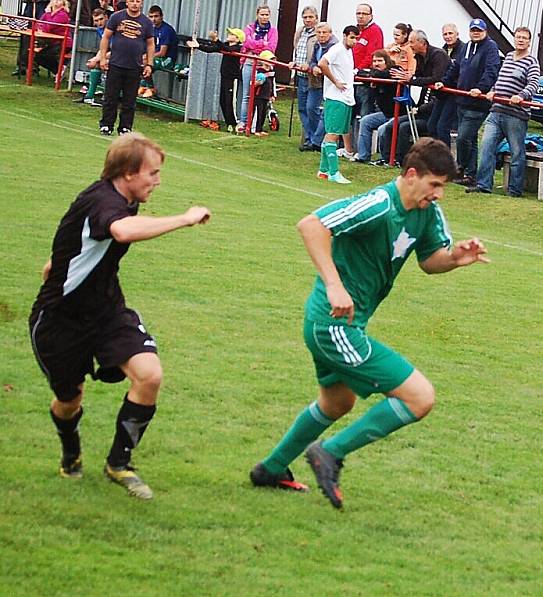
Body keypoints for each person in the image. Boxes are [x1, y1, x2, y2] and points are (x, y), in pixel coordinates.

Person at [248, 137, 489, 509]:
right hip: (332, 326)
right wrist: (334, 285)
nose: (439, 194)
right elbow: (311, 225)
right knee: (419, 397)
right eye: (435, 185)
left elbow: (429, 261)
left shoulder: (427, 213)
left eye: (443, 186)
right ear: (411, 175)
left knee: (336, 404)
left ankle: (271, 468)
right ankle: (330, 452)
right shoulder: (378, 204)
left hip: (344, 326)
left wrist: (456, 258)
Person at [29, 133, 211, 499]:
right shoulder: (103, 202)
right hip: (60, 319)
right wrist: (184, 219)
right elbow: (121, 231)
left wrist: (60, 263)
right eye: (153, 174)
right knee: (69, 401)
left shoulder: (126, 199)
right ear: (128, 173)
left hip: (108, 310)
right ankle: (70, 451)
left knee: (150, 375)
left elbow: (80, 244)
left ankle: (119, 463)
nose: (157, 181)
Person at [466, 27, 540, 198]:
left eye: (524, 38)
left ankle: (515, 190)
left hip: (515, 114)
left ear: (529, 42)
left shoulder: (531, 62)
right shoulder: (507, 57)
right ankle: (483, 185)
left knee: (516, 152)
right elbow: (499, 80)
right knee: (486, 146)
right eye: (518, 37)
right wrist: (492, 91)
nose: (520, 40)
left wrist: (521, 95)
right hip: (496, 110)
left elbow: (533, 84)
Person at [437, 18, 501, 187]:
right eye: (473, 30)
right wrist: (444, 81)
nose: (475, 32)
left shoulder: (491, 47)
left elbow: (492, 70)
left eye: (479, 30)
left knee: (463, 138)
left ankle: (460, 168)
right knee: (470, 140)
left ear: (485, 31)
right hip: (462, 100)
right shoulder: (466, 47)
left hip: (478, 103)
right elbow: (456, 68)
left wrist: (481, 88)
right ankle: (470, 175)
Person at [376, 29, 450, 166]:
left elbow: (435, 78)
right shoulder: (419, 57)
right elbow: (417, 78)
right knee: (391, 124)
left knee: (405, 127)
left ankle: (403, 160)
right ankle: (387, 159)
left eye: (411, 42)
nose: (409, 45)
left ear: (422, 43)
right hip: (421, 109)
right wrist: (406, 76)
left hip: (436, 108)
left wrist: (412, 80)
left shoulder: (438, 55)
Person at [98, 0, 154, 136]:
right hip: (116, 64)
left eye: (138, 1)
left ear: (141, 3)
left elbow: (150, 44)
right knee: (111, 97)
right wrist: (103, 58)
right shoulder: (116, 17)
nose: (135, 4)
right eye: (131, 1)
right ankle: (106, 124)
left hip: (135, 66)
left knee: (130, 99)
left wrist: (149, 64)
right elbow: (106, 37)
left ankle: (125, 127)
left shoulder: (146, 22)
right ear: (127, 3)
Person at [317, 25, 359, 184]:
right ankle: (334, 172)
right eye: (352, 37)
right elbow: (322, 63)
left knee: (335, 132)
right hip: (336, 98)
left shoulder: (348, 52)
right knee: (333, 134)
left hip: (346, 98)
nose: (354, 41)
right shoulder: (337, 49)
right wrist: (335, 81)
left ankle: (323, 170)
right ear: (345, 36)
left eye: (356, 38)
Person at [187, 27, 244, 133]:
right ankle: (229, 123)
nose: (228, 35)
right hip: (224, 76)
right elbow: (212, 48)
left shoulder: (237, 48)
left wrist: (216, 39)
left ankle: (234, 123)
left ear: (237, 39)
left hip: (232, 78)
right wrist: (198, 46)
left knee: (230, 101)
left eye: (231, 34)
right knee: (222, 100)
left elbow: (228, 50)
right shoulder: (226, 45)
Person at [238, 4, 278, 134]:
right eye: (262, 14)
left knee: (261, 96)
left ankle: (256, 124)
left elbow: (271, 47)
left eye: (267, 14)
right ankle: (243, 122)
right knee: (247, 94)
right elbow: (246, 42)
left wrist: (256, 46)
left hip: (263, 65)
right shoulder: (249, 28)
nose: (264, 17)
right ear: (257, 15)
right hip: (249, 62)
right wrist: (262, 44)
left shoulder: (273, 30)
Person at [426, 23, 464, 145]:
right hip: (441, 93)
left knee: (443, 127)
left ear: (457, 34)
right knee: (431, 125)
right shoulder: (442, 51)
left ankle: (444, 159)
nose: (448, 36)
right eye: (445, 34)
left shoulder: (463, 50)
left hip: (454, 93)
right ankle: (434, 155)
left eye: (450, 33)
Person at [354, 50, 395, 162]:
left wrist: (372, 75)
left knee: (383, 129)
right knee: (365, 121)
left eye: (380, 61)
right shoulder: (375, 75)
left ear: (387, 61)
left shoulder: (395, 70)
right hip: (384, 113)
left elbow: (386, 74)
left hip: (398, 113)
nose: (376, 63)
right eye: (374, 61)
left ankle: (384, 159)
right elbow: (360, 73)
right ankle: (363, 157)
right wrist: (372, 76)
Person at [289, 6, 319, 150]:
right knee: (302, 109)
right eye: (305, 17)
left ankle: (316, 139)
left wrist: (310, 64)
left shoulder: (320, 33)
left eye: (310, 17)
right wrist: (294, 61)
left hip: (313, 77)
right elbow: (298, 50)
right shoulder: (300, 32)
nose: (307, 20)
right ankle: (308, 138)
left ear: (316, 18)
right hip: (300, 75)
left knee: (311, 108)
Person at [306, 22, 338, 152]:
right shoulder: (317, 45)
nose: (321, 35)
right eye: (319, 33)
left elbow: (334, 64)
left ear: (330, 33)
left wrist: (322, 68)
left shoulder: (335, 47)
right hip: (316, 81)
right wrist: (314, 67)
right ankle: (315, 138)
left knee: (326, 112)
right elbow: (313, 60)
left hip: (330, 82)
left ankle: (317, 142)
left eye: (324, 32)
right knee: (310, 107)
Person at [136, 4, 176, 98]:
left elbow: (162, 53)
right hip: (155, 57)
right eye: (151, 17)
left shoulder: (166, 30)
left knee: (145, 61)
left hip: (168, 60)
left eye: (156, 16)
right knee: (137, 60)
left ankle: (150, 88)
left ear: (161, 17)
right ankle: (144, 87)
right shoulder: (151, 29)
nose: (153, 19)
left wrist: (147, 56)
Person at [352, 3, 384, 118]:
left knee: (364, 113)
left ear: (371, 16)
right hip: (352, 79)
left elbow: (372, 55)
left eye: (364, 14)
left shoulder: (375, 31)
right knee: (351, 115)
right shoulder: (355, 31)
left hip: (364, 80)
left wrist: (357, 69)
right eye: (358, 13)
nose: (360, 16)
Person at [73, 8, 110, 107]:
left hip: (122, 56)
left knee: (102, 63)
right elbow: (103, 48)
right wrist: (95, 59)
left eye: (101, 19)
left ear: (106, 17)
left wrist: (98, 58)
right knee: (95, 64)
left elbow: (116, 50)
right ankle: (90, 96)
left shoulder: (112, 29)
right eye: (96, 20)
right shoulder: (99, 30)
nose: (99, 22)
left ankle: (105, 98)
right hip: (110, 54)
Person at [33, 0, 73, 77]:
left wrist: (47, 15)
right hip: (53, 42)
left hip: (64, 44)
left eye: (59, 0)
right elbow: (37, 25)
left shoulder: (63, 14)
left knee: (42, 55)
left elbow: (49, 27)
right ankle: (58, 71)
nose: (56, 1)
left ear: (64, 3)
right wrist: (42, 25)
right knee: (37, 56)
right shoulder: (48, 13)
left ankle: (59, 71)